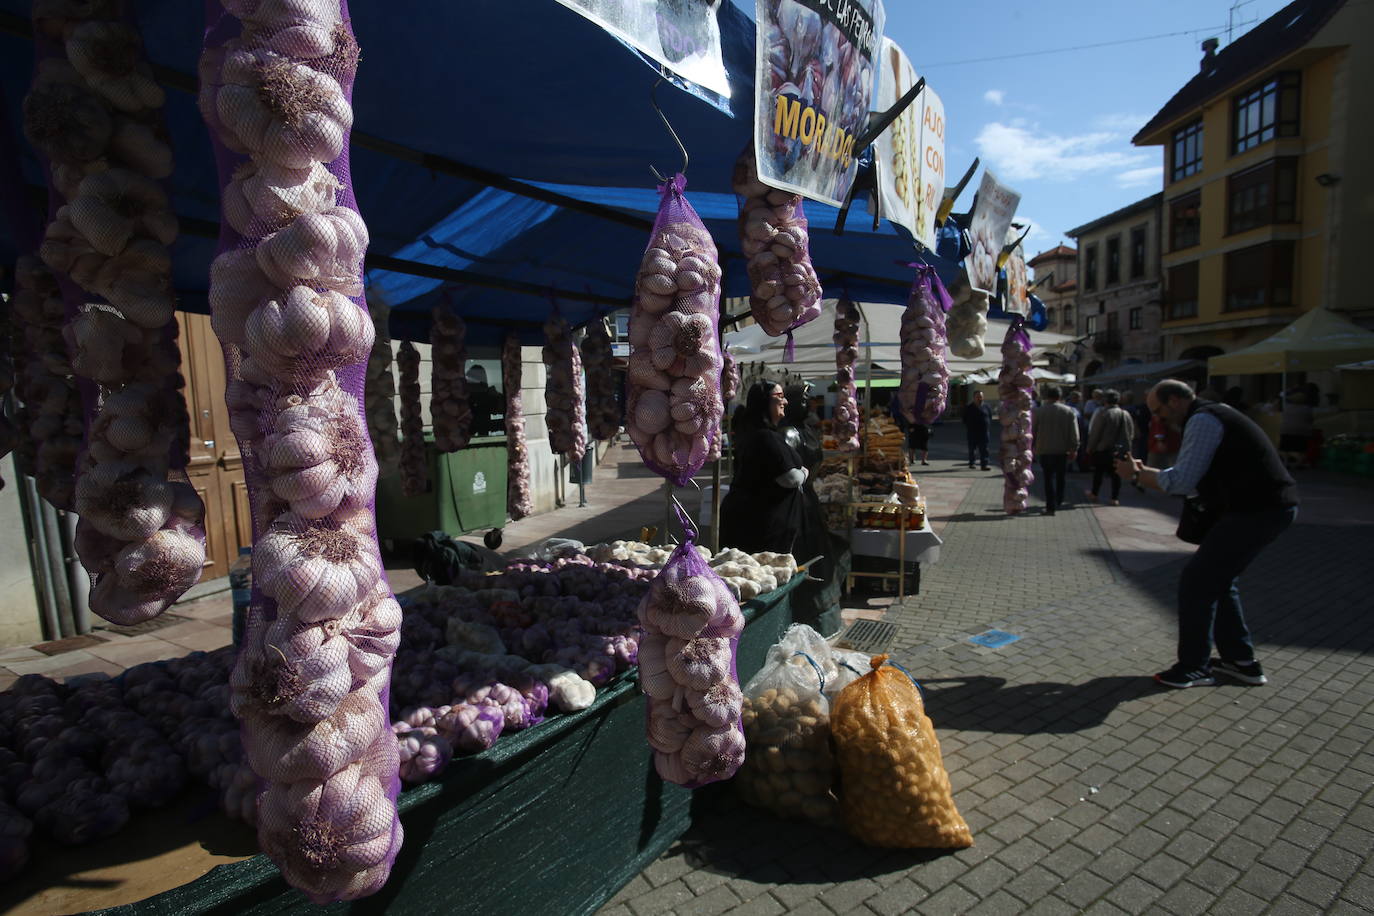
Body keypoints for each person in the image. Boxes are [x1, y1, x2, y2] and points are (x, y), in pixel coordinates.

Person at [1116, 379, 1298, 689]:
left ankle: (1194, 666)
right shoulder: (1214, 413)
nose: (1158, 419)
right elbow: (1193, 476)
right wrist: (1144, 473)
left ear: (1175, 401)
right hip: (1262, 508)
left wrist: (1136, 475)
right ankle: (1241, 662)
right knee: (1219, 582)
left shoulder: (1202, 420)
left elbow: (1183, 481)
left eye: (1158, 411)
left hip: (1256, 510)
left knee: (1197, 583)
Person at [719, 381, 807, 555]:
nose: (785, 401)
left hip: (755, 523)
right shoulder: (766, 437)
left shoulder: (757, 433)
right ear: (764, 402)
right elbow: (789, 479)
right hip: (758, 527)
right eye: (779, 396)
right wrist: (804, 473)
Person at [1032, 385, 1079, 515]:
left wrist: (1032, 446)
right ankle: (1059, 500)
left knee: (1048, 478)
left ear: (1047, 396)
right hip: (1062, 450)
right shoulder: (1069, 411)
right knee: (1061, 477)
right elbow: (1074, 433)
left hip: (1044, 449)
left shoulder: (1039, 411)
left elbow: (1033, 430)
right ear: (1060, 396)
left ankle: (1050, 506)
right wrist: (1074, 448)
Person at [1086, 389, 1135, 505]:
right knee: (1116, 475)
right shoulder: (1125, 414)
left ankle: (1094, 494)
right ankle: (1114, 498)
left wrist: (1090, 447)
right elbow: (1131, 433)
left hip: (1103, 449)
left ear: (1105, 400)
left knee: (1098, 472)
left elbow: (1096, 433)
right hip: (1120, 449)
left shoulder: (1103, 413)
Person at [1279, 392, 1315, 468]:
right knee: (1301, 449)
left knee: (1285, 448)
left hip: (1286, 430)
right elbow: (1310, 419)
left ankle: (1285, 462)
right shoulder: (1307, 409)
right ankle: (1299, 463)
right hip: (1302, 431)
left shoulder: (1287, 407)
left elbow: (1283, 417)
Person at [961, 391, 992, 470]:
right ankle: (972, 463)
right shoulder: (969, 407)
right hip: (972, 432)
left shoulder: (986, 407)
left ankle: (984, 465)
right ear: (974, 398)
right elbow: (964, 418)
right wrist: (969, 426)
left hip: (984, 432)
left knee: (984, 449)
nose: (979, 398)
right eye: (978, 397)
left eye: (981, 397)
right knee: (972, 449)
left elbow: (990, 417)